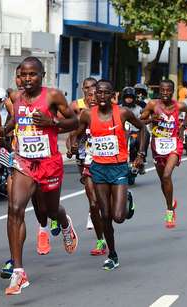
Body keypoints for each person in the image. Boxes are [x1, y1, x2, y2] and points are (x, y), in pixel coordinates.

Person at [0, 57, 79, 295]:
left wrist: (52, 122)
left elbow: (73, 121)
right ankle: (19, 272)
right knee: (15, 209)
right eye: (23, 74)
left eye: (32, 74)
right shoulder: (16, 97)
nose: (27, 79)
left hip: (49, 162)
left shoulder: (53, 96)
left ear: (42, 75)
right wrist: (7, 129)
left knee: (49, 211)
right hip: (23, 162)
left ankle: (64, 222)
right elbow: (16, 119)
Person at [72, 79, 146, 271]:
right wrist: (73, 145)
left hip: (119, 167)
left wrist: (140, 155)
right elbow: (78, 133)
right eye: (99, 93)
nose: (102, 97)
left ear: (113, 95)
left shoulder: (122, 113)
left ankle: (126, 199)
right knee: (105, 215)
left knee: (119, 216)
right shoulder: (87, 114)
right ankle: (112, 254)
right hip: (99, 168)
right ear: (94, 95)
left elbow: (143, 129)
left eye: (106, 93)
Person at [140, 79, 187, 228]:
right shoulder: (152, 105)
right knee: (163, 181)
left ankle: (169, 211)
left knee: (166, 175)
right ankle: (171, 202)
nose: (164, 93)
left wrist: (182, 127)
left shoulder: (179, 106)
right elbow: (139, 121)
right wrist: (151, 119)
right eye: (162, 90)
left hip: (174, 144)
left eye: (168, 90)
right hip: (157, 146)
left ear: (173, 91)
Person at [67, 79, 107, 256]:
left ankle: (123, 198)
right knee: (93, 201)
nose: (91, 98)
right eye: (88, 94)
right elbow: (73, 134)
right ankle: (100, 240)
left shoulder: (110, 112)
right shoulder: (82, 113)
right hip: (88, 160)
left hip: (109, 163)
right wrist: (72, 147)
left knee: (111, 207)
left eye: (94, 94)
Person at [120, 86, 150, 173]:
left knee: (145, 134)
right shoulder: (118, 108)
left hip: (135, 132)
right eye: (127, 97)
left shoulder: (138, 108)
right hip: (121, 132)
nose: (129, 99)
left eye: (131, 97)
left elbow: (142, 121)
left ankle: (141, 158)